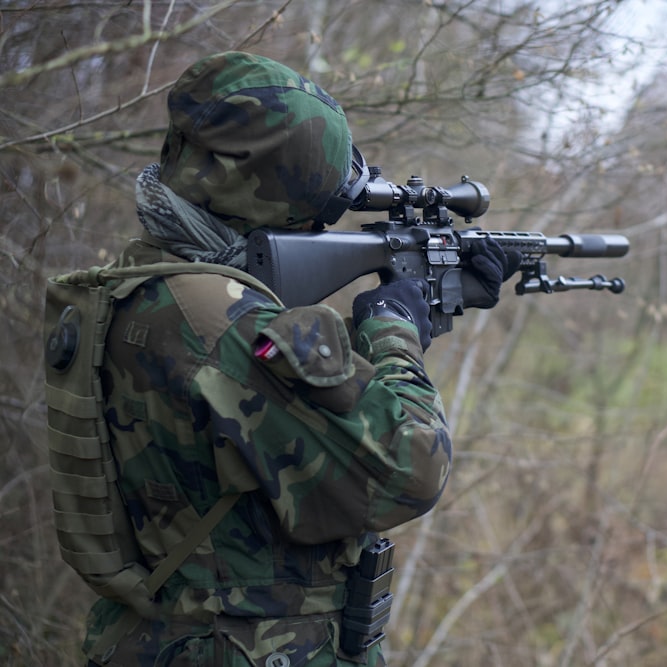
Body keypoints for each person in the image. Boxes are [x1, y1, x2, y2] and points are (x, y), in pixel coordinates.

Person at [74, 51, 516, 666]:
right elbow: (411, 468)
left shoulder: (139, 287)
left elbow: (257, 405)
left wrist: (403, 319)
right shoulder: (221, 323)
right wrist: (394, 333)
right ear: (281, 192)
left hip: (152, 638)